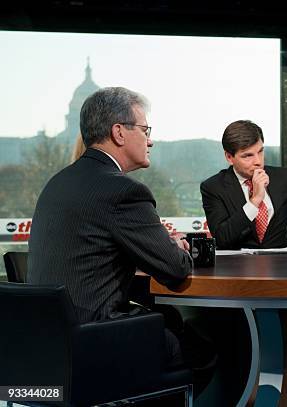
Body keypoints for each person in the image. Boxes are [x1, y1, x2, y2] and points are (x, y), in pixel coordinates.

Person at [27, 87, 212, 380]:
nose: (151, 140)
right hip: (96, 344)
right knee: (206, 346)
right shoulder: (123, 191)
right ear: (119, 133)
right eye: (145, 129)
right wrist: (175, 248)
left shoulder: (57, 183)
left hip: (43, 347)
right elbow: (175, 269)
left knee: (171, 321)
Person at [200, 119, 287, 249]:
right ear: (229, 157)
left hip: (282, 266)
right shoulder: (213, 187)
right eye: (247, 156)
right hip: (237, 266)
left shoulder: (283, 178)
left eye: (260, 151)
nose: (258, 161)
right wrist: (255, 201)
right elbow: (222, 238)